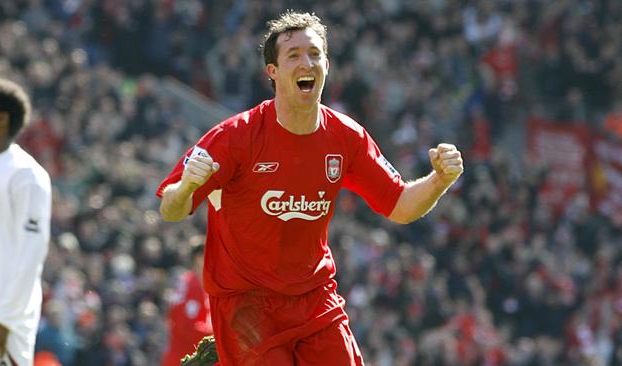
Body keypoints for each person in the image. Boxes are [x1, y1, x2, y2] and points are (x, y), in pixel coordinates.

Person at [157, 10, 463, 366]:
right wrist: (188, 185)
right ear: (272, 72)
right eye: (294, 55)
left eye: (315, 54)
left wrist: (439, 180)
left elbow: (400, 205)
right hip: (247, 303)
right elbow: (170, 208)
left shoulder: (347, 137)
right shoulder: (234, 137)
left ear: (327, 65)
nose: (307, 62)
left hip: (315, 299)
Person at [0, 77, 52, 366]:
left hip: (1, 320)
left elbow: (32, 252)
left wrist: (4, 320)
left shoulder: (26, 175)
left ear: (2, 119)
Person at [161, 237, 213, 366]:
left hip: (187, 357)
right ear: (199, 258)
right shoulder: (192, 285)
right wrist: (216, 335)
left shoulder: (195, 283)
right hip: (183, 357)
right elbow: (187, 326)